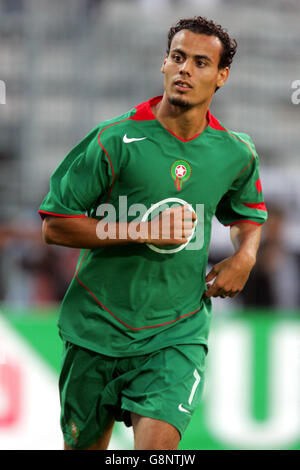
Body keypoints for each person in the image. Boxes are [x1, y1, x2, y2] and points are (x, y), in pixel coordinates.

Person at [39, 16, 267, 450]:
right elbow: (55, 225)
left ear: (222, 76)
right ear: (163, 63)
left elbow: (248, 212)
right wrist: (140, 230)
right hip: (96, 329)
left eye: (201, 63)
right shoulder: (114, 139)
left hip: (176, 332)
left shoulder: (235, 153)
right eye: (178, 58)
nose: (185, 69)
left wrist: (246, 255)